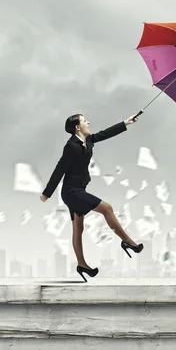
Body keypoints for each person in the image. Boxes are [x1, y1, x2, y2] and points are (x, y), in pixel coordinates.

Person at [40, 113, 144, 282]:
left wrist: (126, 122)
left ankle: (82, 265)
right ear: (77, 127)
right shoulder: (71, 146)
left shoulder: (88, 141)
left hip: (78, 189)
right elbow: (60, 169)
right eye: (84, 121)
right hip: (71, 192)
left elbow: (105, 133)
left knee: (78, 228)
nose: (88, 122)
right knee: (107, 208)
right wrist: (47, 193)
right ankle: (128, 242)